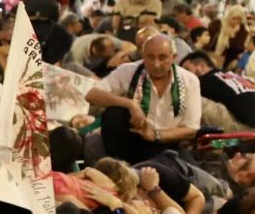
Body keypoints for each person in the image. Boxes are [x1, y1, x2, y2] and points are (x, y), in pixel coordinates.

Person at [85, 33, 201, 161]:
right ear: (143, 56)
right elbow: (92, 95)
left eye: (162, 58)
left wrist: (155, 135)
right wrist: (131, 104)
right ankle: (121, 166)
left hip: (166, 142)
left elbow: (191, 129)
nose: (156, 64)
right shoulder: (128, 71)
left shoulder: (190, 81)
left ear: (173, 57)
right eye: (150, 57)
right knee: (114, 113)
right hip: (131, 140)